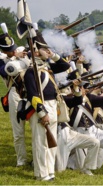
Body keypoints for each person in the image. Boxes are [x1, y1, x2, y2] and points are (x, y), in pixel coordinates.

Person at [22, 30, 70, 181]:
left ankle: (50, 171)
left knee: (51, 144)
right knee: (41, 143)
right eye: (44, 49)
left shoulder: (46, 67)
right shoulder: (31, 72)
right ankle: (41, 173)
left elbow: (64, 65)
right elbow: (33, 95)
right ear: (36, 52)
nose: (48, 51)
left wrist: (53, 55)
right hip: (40, 109)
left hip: (53, 106)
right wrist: (42, 114)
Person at [0, 28, 30, 167]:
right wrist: (14, 57)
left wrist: (22, 55)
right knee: (18, 131)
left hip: (31, 92)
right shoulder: (2, 60)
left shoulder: (21, 52)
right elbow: (6, 72)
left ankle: (38, 158)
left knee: (37, 129)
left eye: (12, 48)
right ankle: (21, 160)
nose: (12, 51)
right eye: (9, 50)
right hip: (15, 93)